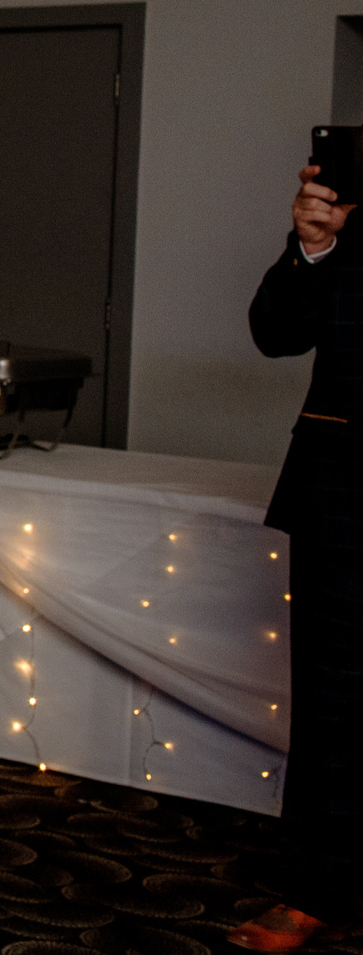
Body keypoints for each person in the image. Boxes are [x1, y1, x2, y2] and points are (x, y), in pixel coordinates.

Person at [237, 161, 362, 951]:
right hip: (344, 495)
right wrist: (314, 246)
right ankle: (318, 889)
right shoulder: (349, 215)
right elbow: (276, 333)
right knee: (332, 703)